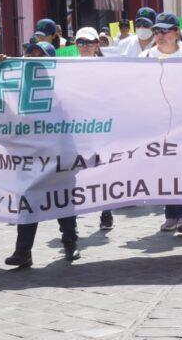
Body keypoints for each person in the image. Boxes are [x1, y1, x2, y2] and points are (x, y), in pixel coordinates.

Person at [4, 41, 80, 267]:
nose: (33, 59)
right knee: (28, 203)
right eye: (30, 54)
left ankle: (70, 244)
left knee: (64, 202)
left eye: (39, 55)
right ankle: (23, 252)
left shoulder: (63, 88)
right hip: (31, 157)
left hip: (60, 155)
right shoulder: (15, 88)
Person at [140, 12, 182, 234]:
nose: (161, 35)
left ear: (176, 33)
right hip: (157, 122)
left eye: (165, 31)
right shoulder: (145, 58)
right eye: (157, 31)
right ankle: (171, 215)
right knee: (164, 168)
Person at [74, 27, 115, 230]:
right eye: (80, 43)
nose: (85, 47)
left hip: (101, 125)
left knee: (102, 168)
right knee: (75, 169)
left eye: (89, 43)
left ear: (97, 45)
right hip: (76, 127)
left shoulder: (107, 66)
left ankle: (105, 211)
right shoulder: (67, 67)